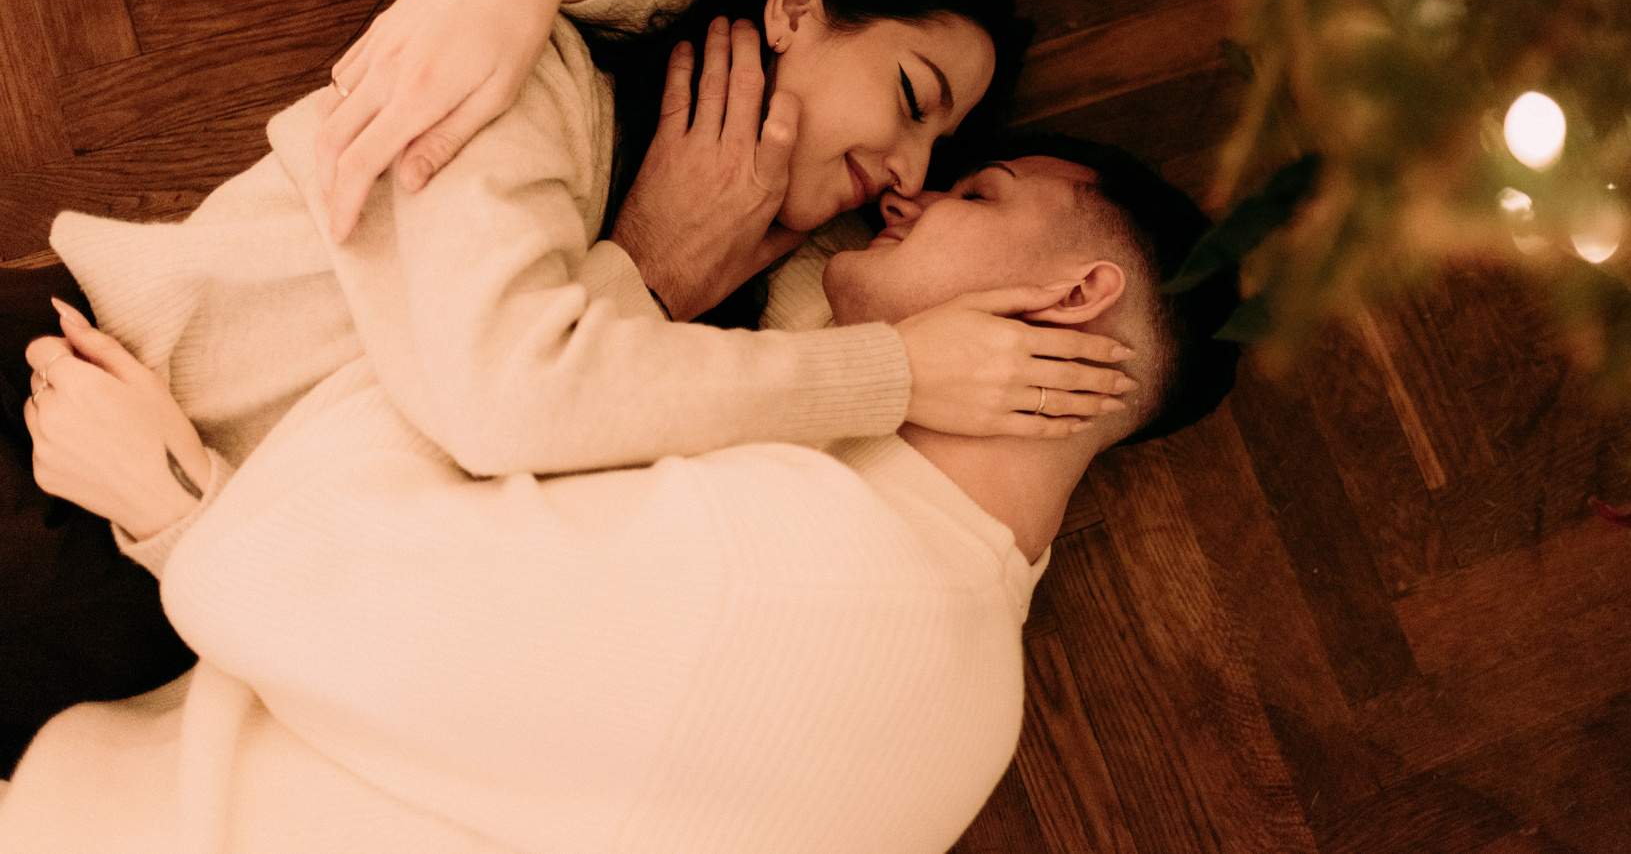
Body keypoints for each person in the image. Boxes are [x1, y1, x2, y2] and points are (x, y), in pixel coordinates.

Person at [0, 0, 1136, 773]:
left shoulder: (802, 286)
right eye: (912, 98)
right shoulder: (528, 77)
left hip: (214, 601)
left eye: (944, 151)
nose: (909, 169)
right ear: (795, 10)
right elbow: (509, 400)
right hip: (71, 395)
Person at [0, 135, 1247, 853]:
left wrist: (178, 509)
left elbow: (364, 586)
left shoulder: (804, 563)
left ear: (1074, 297)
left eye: (976, 194)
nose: (908, 191)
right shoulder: (980, 708)